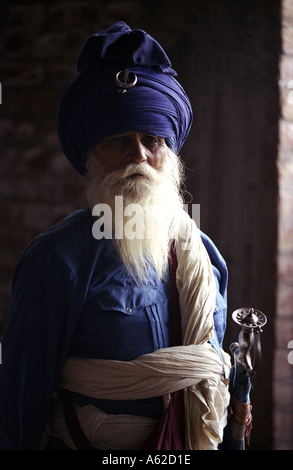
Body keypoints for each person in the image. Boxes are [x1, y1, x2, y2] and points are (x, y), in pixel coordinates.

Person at [0, 22, 252, 450]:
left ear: (169, 154)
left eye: (152, 140)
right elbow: (19, 405)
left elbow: (215, 381)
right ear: (92, 155)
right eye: (120, 139)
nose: (139, 156)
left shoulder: (204, 255)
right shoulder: (56, 260)